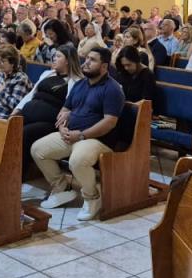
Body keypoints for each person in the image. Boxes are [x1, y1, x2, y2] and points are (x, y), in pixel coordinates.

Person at [32, 48, 124, 221]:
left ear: (104, 66)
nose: (86, 62)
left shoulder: (112, 89)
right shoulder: (81, 84)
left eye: (92, 60)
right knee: (38, 149)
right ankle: (62, 188)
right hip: (71, 135)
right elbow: (65, 109)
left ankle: (92, 197)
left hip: (97, 139)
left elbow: (109, 122)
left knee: (77, 161)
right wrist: (62, 128)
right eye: (86, 58)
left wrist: (81, 135)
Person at [13, 45, 82, 176]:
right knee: (10, 128)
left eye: (58, 56)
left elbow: (73, 106)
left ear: (68, 60)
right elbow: (31, 94)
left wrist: (64, 123)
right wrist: (16, 110)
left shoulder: (77, 81)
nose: (53, 58)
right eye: (54, 56)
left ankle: (19, 175)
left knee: (25, 133)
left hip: (51, 122)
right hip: (29, 112)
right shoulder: (47, 74)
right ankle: (5, 167)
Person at [0, 45, 31, 120]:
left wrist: (2, 92)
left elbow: (16, 106)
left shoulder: (21, 79)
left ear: (12, 62)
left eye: (2, 61)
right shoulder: (0, 75)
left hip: (1, 118)